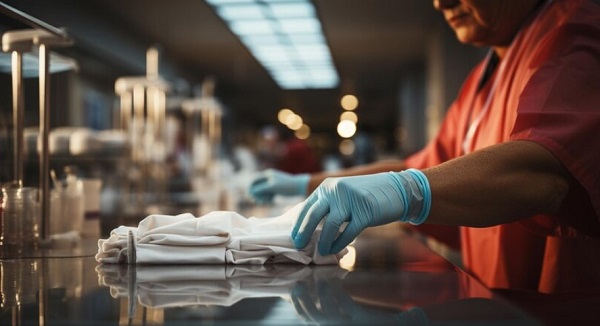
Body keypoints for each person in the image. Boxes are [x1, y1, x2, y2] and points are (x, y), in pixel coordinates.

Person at [249, 0, 600, 293]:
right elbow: (429, 168)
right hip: (500, 302)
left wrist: (406, 192)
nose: (440, 3)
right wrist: (307, 184)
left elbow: (547, 171)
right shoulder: (483, 80)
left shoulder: (576, 32)